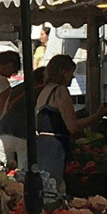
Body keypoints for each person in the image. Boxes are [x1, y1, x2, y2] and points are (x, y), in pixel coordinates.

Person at [32, 53, 80, 191]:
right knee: (54, 188)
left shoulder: (45, 91)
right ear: (63, 71)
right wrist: (96, 116)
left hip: (41, 145)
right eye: (71, 72)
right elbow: (73, 126)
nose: (73, 76)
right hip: (55, 146)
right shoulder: (60, 90)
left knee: (44, 187)